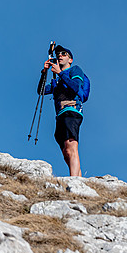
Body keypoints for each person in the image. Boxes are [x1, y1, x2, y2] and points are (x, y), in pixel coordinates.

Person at [40, 44, 90, 177]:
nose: (60, 55)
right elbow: (41, 91)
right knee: (66, 153)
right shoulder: (57, 80)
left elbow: (75, 87)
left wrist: (60, 73)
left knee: (71, 147)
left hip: (72, 110)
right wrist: (43, 73)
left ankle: (74, 181)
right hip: (60, 115)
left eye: (63, 54)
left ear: (70, 59)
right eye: (58, 54)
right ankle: (79, 179)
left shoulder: (74, 70)